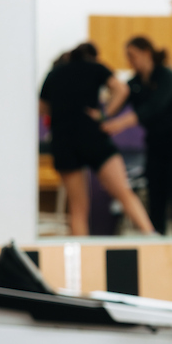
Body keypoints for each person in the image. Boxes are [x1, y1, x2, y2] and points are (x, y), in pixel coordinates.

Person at [39, 42, 155, 236]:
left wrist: (63, 111)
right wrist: (105, 113)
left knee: (78, 208)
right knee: (123, 192)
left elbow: (42, 109)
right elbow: (121, 90)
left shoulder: (53, 74)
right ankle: (150, 236)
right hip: (92, 136)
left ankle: (80, 259)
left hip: (64, 141)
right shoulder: (95, 67)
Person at [100, 37, 172, 235]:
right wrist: (105, 110)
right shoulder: (134, 83)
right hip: (157, 144)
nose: (130, 61)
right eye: (127, 57)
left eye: (132, 55)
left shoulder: (167, 76)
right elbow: (113, 107)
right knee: (156, 199)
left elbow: (153, 107)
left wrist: (119, 124)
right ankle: (157, 245)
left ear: (146, 52)